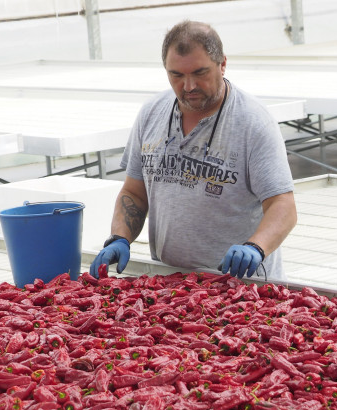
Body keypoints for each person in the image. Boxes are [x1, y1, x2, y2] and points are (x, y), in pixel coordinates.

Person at [90, 20, 297, 280]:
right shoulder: (152, 113)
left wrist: (255, 246)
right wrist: (119, 238)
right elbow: (135, 192)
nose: (188, 86)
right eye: (176, 75)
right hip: (171, 284)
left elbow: (283, 204)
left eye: (200, 73)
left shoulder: (252, 122)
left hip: (240, 286)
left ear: (222, 64)